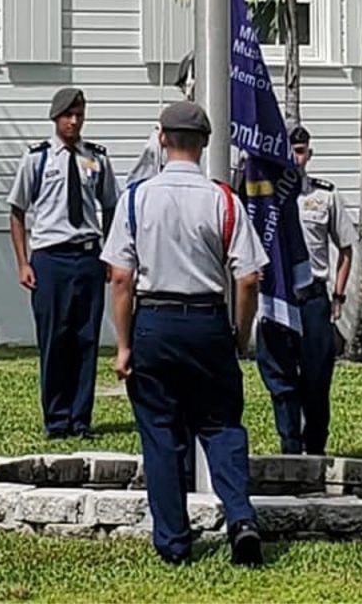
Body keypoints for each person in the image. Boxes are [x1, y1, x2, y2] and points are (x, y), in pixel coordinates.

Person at [102, 99, 269, 568]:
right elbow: (249, 277)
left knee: (160, 432)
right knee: (220, 425)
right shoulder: (224, 200)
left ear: (161, 139)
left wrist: (124, 343)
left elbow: (120, 276)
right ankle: (240, 518)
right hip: (207, 321)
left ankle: (174, 543)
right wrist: (239, 334)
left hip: (154, 319)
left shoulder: (136, 197)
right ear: (204, 144)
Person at [8, 86, 118, 439]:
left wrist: (110, 254)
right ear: (55, 118)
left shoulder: (96, 158)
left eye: (80, 115)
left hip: (87, 256)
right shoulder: (37, 159)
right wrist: (23, 262)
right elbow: (17, 211)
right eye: (68, 115)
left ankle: (80, 419)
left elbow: (111, 205)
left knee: (86, 339)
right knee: (55, 339)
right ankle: (56, 420)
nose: (74, 121)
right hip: (50, 258)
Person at [256, 124, 355, 454]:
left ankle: (315, 448)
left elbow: (346, 248)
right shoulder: (264, 199)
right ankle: (289, 444)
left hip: (313, 298)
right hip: (277, 300)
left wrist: (338, 296)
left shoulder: (324, 195)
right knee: (280, 378)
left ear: (309, 155)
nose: (296, 158)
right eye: (291, 151)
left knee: (316, 378)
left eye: (301, 151)